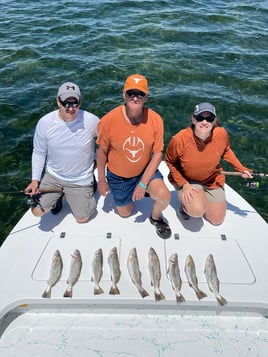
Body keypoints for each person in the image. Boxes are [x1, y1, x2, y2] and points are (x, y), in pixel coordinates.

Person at [97, 74, 171, 239]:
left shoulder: (156, 120)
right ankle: (135, 192)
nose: (135, 97)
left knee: (164, 196)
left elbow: (158, 153)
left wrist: (143, 183)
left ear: (146, 97)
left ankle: (156, 217)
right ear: (124, 94)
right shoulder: (108, 120)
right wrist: (102, 180)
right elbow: (101, 152)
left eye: (140, 94)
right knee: (125, 213)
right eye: (131, 93)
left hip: (144, 172)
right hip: (119, 177)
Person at [165, 102, 253, 225]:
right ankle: (185, 207)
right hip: (188, 180)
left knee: (216, 220)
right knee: (197, 211)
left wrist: (241, 168)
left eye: (209, 118)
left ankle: (201, 196)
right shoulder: (179, 139)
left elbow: (226, 150)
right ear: (193, 119)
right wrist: (183, 184)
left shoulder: (221, 134)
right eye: (200, 117)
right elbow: (170, 161)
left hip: (212, 179)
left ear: (214, 121)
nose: (204, 122)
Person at [25, 82, 100, 223]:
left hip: (80, 179)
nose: (70, 108)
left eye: (74, 103)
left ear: (80, 103)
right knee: (36, 212)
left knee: (83, 219)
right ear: (58, 101)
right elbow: (39, 152)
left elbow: (104, 142)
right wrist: (35, 180)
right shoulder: (45, 122)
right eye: (66, 103)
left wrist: (96, 159)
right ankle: (58, 196)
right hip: (54, 176)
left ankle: (90, 184)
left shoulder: (92, 121)